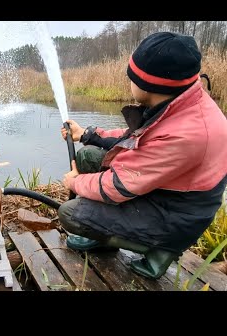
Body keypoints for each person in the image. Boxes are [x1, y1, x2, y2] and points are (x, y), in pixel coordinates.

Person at [58, 31, 227, 279]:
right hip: (164, 191)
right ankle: (105, 236)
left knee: (71, 214)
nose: (129, 83)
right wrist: (86, 134)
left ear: (150, 85)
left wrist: (74, 182)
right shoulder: (179, 101)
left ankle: (160, 249)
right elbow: (135, 139)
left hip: (174, 216)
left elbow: (115, 186)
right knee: (89, 156)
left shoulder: (187, 134)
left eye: (131, 78)